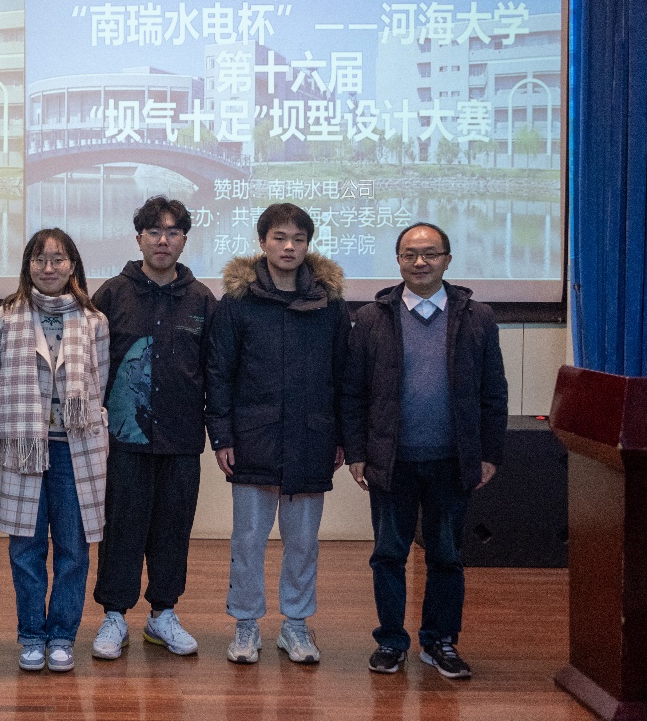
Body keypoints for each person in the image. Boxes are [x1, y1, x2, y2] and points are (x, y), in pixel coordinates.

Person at [343, 222, 507, 679]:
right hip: (390, 460)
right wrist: (356, 451)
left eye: (430, 254)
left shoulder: (477, 317)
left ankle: (440, 641)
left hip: (452, 460)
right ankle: (391, 641)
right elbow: (353, 393)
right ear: (398, 260)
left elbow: (493, 392)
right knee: (388, 555)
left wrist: (489, 453)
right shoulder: (372, 318)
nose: (420, 262)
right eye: (410, 254)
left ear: (447, 260)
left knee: (446, 557)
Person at [205, 203, 351, 665]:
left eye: (298, 239)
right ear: (262, 242)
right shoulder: (238, 303)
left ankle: (296, 626)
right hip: (254, 438)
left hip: (312, 438)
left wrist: (343, 437)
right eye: (279, 238)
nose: (289, 247)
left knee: (303, 542)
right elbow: (219, 373)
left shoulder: (329, 303)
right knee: (248, 539)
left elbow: (343, 375)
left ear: (308, 245)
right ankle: (245, 625)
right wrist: (222, 436)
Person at [90, 196, 217, 660]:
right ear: (139, 238)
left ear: (184, 240)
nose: (163, 240)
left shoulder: (202, 299)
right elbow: (92, 368)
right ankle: (114, 616)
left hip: (181, 438)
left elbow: (215, 372)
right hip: (124, 440)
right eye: (154, 232)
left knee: (173, 530)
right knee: (122, 528)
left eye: (173, 232)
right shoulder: (111, 295)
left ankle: (163, 614)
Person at [0, 228, 110, 674]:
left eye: (58, 259)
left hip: (74, 450)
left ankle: (62, 635)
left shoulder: (94, 320)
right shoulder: (6, 317)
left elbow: (100, 383)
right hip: (24, 449)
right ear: (28, 266)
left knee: (73, 549)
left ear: (72, 265)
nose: (48, 268)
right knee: (25, 549)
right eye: (39, 260)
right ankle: (31, 635)